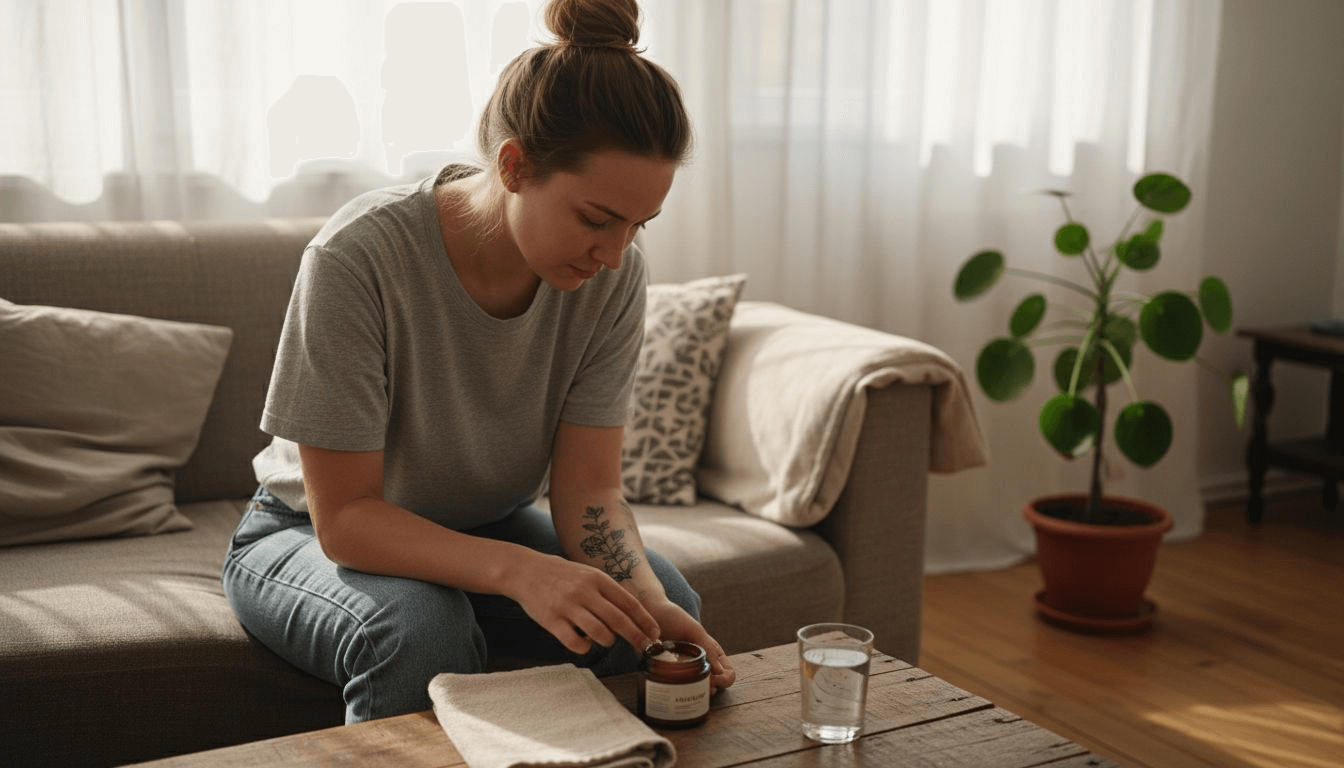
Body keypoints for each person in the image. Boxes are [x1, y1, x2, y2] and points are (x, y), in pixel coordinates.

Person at [223, 0, 736, 723]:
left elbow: (590, 491)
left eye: (637, 224)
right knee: (422, 627)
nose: (615, 253)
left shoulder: (613, 274)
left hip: (484, 527)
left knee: (654, 617)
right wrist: (521, 571)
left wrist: (647, 601)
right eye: (596, 218)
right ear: (515, 165)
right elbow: (346, 519)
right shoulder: (360, 257)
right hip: (304, 532)